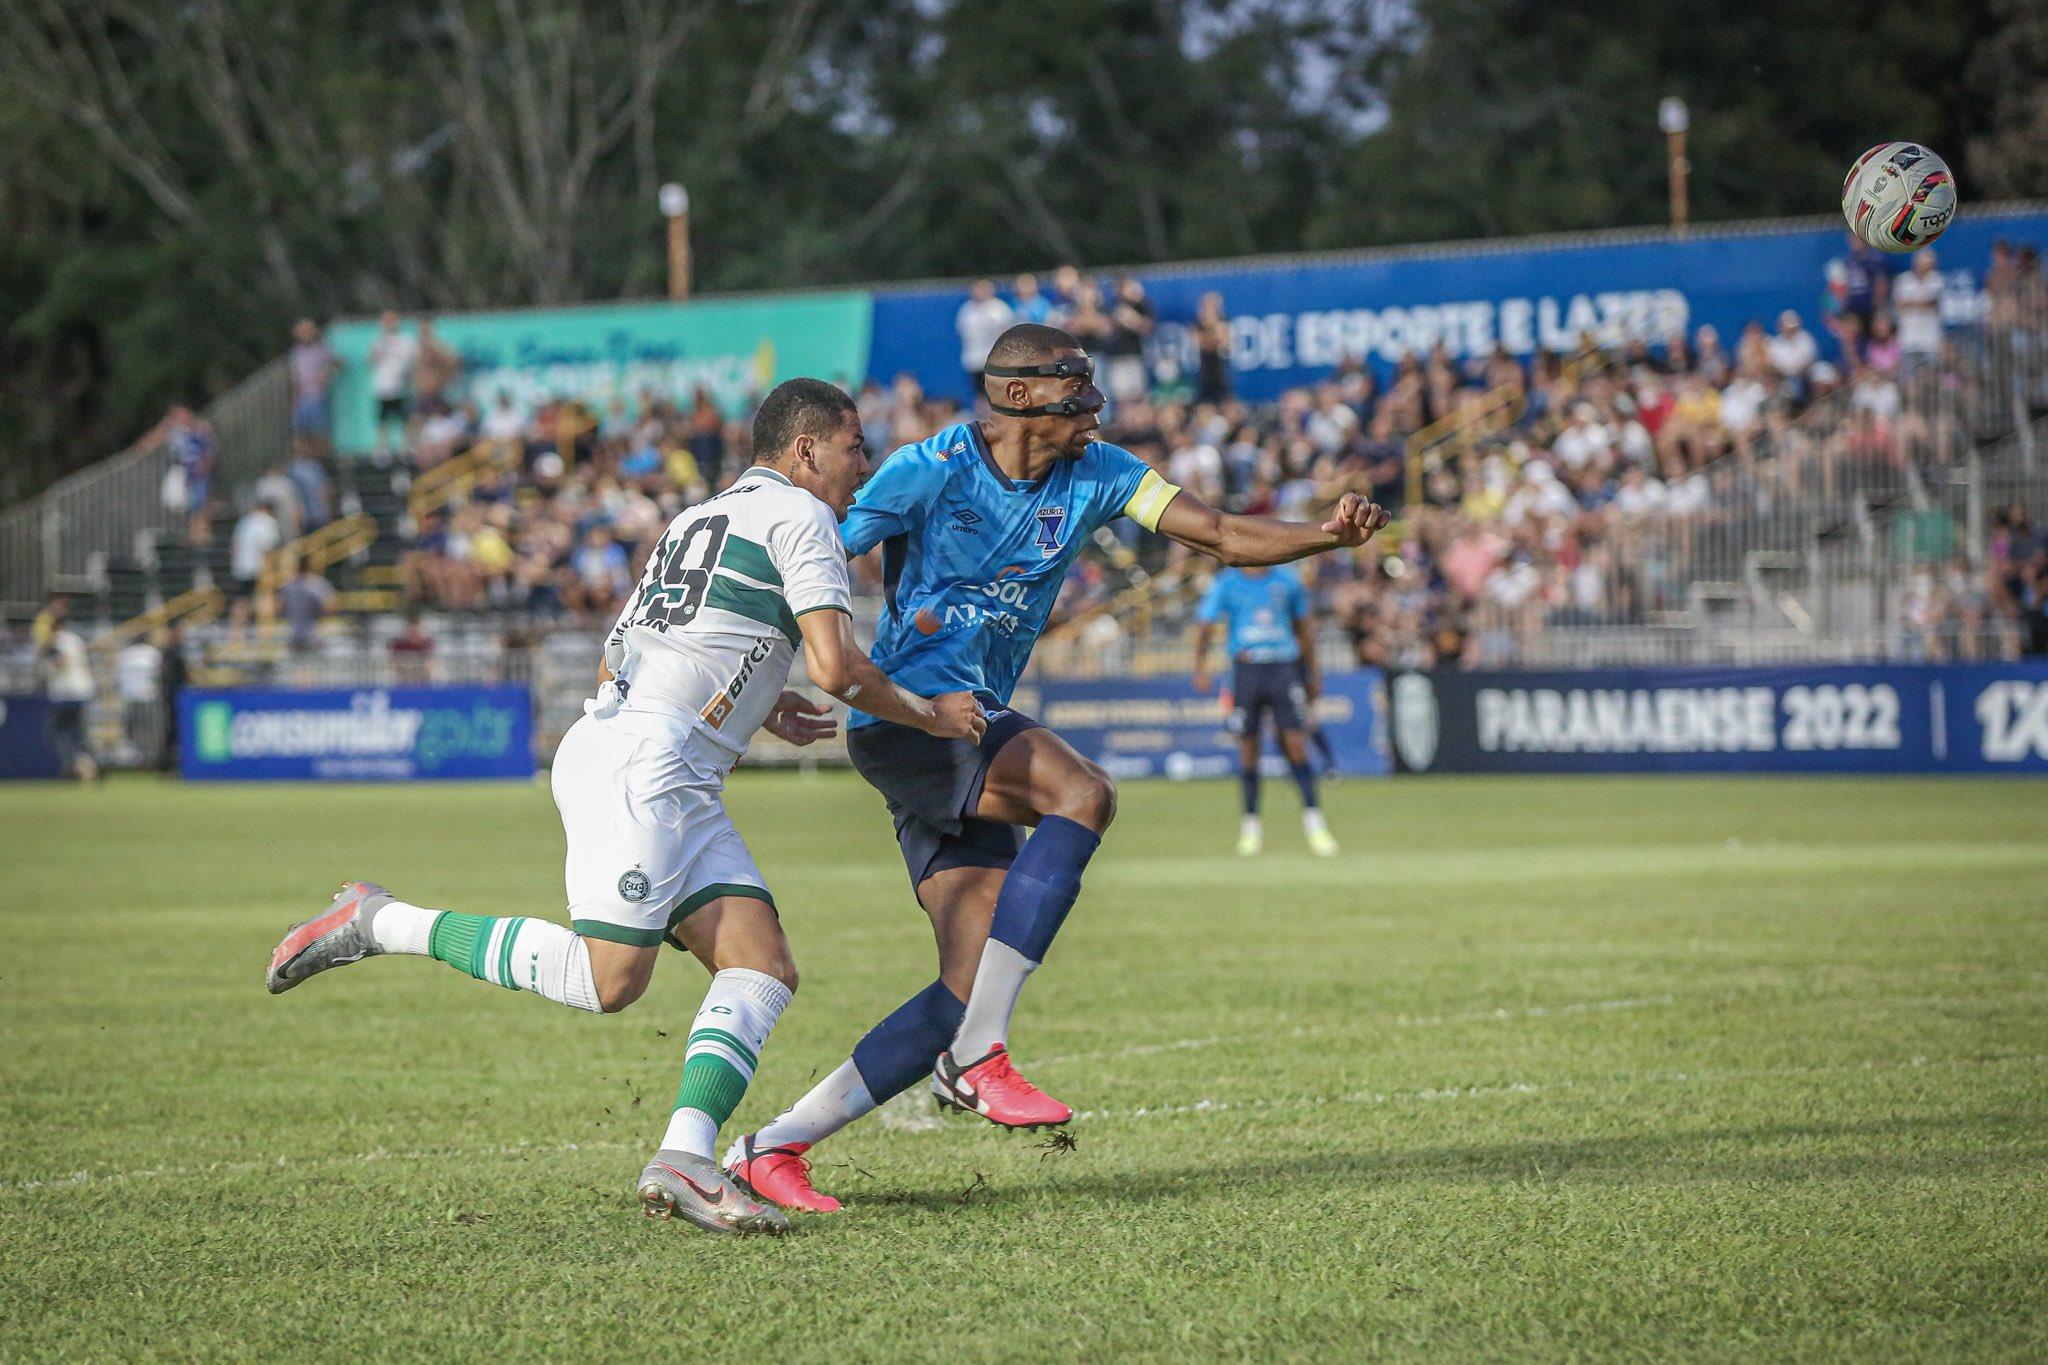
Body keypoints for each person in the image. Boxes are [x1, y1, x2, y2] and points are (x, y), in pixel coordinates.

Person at [264, 378, 983, 1238]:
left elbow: (644, 651)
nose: (860, 465)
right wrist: (931, 713)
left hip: (655, 756)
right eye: (853, 446)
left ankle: (684, 1154)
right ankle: (378, 920)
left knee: (760, 964)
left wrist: (761, 702)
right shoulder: (805, 518)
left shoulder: (698, 518)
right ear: (806, 449)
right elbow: (836, 666)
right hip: (650, 767)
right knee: (610, 981)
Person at [724, 323, 1388, 1213]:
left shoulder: (1101, 472)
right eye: (1078, 387)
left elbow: (1223, 532)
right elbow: (806, 560)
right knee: (1083, 791)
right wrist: (761, 682)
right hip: (913, 723)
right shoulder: (928, 468)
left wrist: (1324, 536)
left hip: (968, 726)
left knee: (959, 987)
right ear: (1023, 394)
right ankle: (978, 1053)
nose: (1095, 405)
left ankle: (773, 1147)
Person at [1191, 564, 1337, 857]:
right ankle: (1251, 829)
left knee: (1296, 744)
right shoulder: (1228, 582)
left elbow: (1304, 625)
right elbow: (1205, 623)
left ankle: (1315, 825)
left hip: (1284, 667)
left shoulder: (1287, 579)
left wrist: (1313, 673)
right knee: (1248, 747)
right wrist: (1200, 666)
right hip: (1247, 669)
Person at [40, 600, 97, 782]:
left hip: (65, 693)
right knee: (80, 733)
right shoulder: (77, 640)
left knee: (59, 733)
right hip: (82, 691)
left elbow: (61, 661)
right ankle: (89, 767)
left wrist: (47, 657)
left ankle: (72, 767)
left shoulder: (58, 641)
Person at [367, 311, 417, 457]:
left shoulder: (405, 340)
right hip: (382, 387)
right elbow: (372, 361)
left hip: (401, 388)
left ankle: (407, 447)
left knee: (405, 419)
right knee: (382, 420)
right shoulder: (378, 341)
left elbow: (410, 362)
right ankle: (383, 448)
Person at [955, 279, 1014, 400]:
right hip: (975, 360)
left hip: (995, 360)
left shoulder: (999, 309)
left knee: (997, 393)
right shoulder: (967, 310)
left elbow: (1008, 334)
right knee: (980, 395)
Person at [289, 320, 339, 445]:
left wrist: (326, 375)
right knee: (298, 432)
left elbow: (338, 364)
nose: (305, 334)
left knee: (319, 432)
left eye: (308, 331)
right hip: (302, 398)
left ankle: (321, 461)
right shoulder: (296, 353)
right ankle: (304, 461)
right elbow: (295, 377)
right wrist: (294, 399)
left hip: (317, 396)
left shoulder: (321, 350)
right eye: (302, 332)